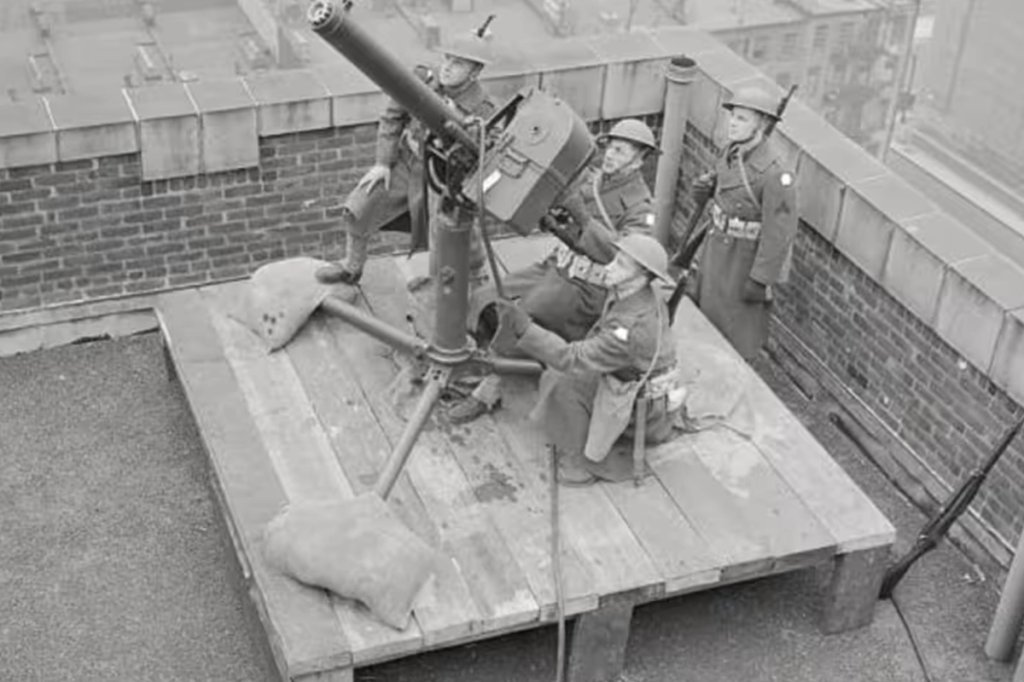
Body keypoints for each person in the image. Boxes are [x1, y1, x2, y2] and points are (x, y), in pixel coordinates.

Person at [448, 119, 659, 424]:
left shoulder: (641, 208)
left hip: (589, 287)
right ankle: (504, 357)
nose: (611, 155)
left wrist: (585, 219)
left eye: (621, 151)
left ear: (639, 160)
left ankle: (489, 389)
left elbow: (626, 258)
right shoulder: (594, 180)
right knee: (486, 295)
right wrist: (556, 221)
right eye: (611, 148)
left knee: (522, 314)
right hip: (558, 264)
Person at [489, 234, 682, 485]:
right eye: (615, 260)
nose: (610, 267)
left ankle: (586, 464)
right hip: (631, 377)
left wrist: (524, 327)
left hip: (639, 404)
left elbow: (572, 359)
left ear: (643, 275)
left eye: (622, 265)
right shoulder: (638, 293)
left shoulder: (630, 328)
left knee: (563, 383)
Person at [316, 31, 496, 286]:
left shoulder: (483, 108)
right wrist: (383, 162)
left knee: (447, 233)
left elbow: (482, 154)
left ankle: (465, 282)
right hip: (407, 161)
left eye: (458, 64)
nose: (447, 68)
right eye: (447, 59)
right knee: (360, 206)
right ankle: (352, 267)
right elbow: (393, 116)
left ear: (474, 73)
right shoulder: (422, 80)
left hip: (443, 176)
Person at [689, 85, 798, 359]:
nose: (733, 124)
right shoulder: (731, 152)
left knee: (735, 332)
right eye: (733, 117)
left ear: (761, 125)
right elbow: (721, 193)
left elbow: (780, 234)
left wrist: (760, 279)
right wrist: (703, 190)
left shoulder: (776, 173)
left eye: (742, 119)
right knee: (706, 320)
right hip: (715, 249)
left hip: (743, 262)